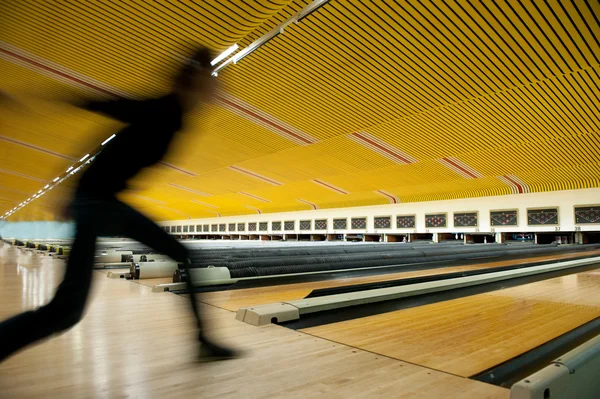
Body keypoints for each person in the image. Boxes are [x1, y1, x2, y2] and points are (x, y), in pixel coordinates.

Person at [0, 47, 239, 362]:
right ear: (196, 79)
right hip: (97, 205)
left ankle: (202, 341)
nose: (220, 85)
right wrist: (28, 101)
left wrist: (73, 192)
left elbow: (103, 145)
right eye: (215, 76)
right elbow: (95, 103)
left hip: (105, 204)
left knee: (183, 255)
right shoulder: (162, 109)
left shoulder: (178, 118)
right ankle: (203, 341)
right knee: (66, 311)